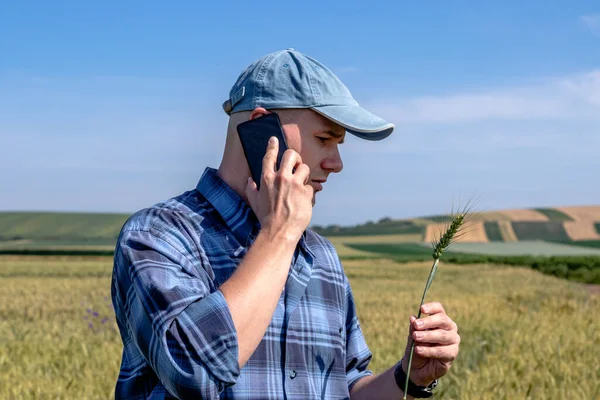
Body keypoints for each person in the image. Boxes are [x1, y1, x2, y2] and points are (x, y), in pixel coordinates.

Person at [111, 48, 460, 400]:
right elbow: (193, 373)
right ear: (261, 130)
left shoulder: (321, 256)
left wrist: (407, 377)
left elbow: (346, 388)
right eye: (325, 139)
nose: (336, 163)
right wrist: (278, 234)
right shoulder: (158, 235)